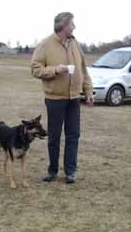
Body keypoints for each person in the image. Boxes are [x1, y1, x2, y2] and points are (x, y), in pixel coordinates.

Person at [30, 12, 93, 184]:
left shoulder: (75, 44)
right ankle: (52, 170)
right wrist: (55, 70)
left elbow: (83, 69)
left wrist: (87, 91)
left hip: (74, 98)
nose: (74, 27)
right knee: (54, 136)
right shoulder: (45, 44)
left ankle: (70, 171)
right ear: (63, 26)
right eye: (72, 24)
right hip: (54, 99)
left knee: (73, 136)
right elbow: (35, 69)